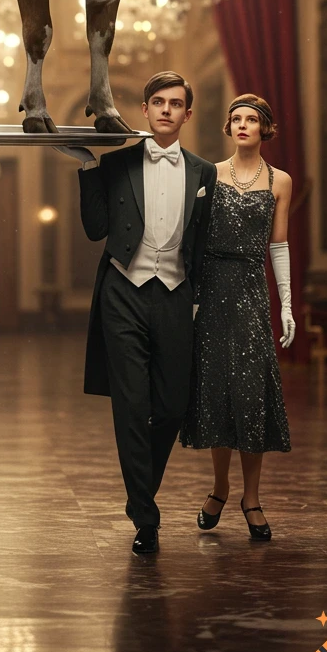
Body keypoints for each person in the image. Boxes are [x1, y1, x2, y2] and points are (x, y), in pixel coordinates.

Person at [58, 71, 217, 554]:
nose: (166, 110)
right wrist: (87, 170)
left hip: (173, 292)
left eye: (175, 104)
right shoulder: (117, 163)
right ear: (144, 111)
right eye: (157, 102)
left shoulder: (204, 173)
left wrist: (197, 301)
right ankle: (145, 515)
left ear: (188, 114)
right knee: (132, 404)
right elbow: (94, 229)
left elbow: (204, 242)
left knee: (170, 405)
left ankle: (142, 491)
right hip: (123, 291)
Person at [180, 93, 295, 541]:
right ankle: (219, 487)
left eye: (252, 119)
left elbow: (278, 245)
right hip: (211, 290)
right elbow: (191, 239)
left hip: (250, 291)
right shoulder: (208, 175)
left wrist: (286, 303)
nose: (243, 125)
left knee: (249, 393)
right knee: (216, 392)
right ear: (228, 128)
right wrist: (190, 298)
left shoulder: (280, 181)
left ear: (265, 129)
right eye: (237, 119)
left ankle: (252, 496)